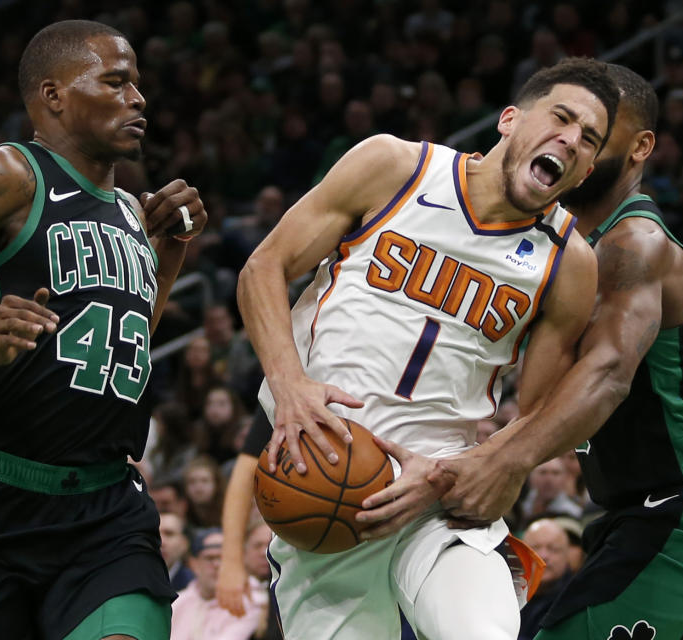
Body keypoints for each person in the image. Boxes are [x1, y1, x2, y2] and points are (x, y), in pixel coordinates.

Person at [366, 63, 683, 639]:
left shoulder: (636, 242)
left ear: (640, 147)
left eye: (599, 133)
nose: (577, 141)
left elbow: (607, 374)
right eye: (570, 123)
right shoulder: (558, 250)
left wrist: (499, 462)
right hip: (632, 513)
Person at [238, 58, 619, 639]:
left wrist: (459, 474)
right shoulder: (395, 167)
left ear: (588, 169)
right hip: (324, 481)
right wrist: (289, 387)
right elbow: (263, 267)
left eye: (588, 139)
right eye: (560, 119)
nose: (569, 140)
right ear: (510, 119)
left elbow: (537, 415)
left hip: (438, 498)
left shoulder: (568, 260)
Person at [0, 19, 208, 639]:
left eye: (139, 87)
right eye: (116, 82)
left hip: (105, 510)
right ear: (53, 95)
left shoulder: (133, 210)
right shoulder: (1, 175)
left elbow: (123, 345)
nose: (139, 99)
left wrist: (172, 252)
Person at [170, 528, 267, 640]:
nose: (216, 564)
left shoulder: (251, 600)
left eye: (223, 558)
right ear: (194, 564)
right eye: (209, 558)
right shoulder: (177, 603)